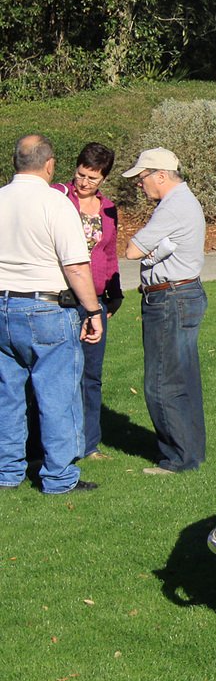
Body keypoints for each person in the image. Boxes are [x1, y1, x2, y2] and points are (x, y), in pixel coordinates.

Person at [0, 134, 105, 495]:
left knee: (7, 395)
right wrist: (92, 310)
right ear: (49, 165)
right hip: (45, 307)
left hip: (2, 306)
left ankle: (7, 471)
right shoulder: (56, 204)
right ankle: (59, 477)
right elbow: (76, 266)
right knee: (58, 394)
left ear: (15, 162)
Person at [123, 147, 208, 475]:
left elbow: (132, 251)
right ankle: (191, 453)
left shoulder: (172, 207)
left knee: (162, 382)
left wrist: (150, 254)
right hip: (184, 294)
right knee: (183, 377)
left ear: (160, 175)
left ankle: (177, 459)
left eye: (142, 177)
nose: (140, 184)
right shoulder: (184, 200)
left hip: (169, 299)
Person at [52, 142, 123, 460]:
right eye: (81, 174)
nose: (83, 183)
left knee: (91, 375)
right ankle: (47, 445)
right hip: (59, 297)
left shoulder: (108, 209)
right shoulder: (57, 196)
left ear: (103, 179)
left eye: (92, 179)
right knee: (56, 374)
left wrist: (113, 295)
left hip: (95, 300)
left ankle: (89, 443)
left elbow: (109, 253)